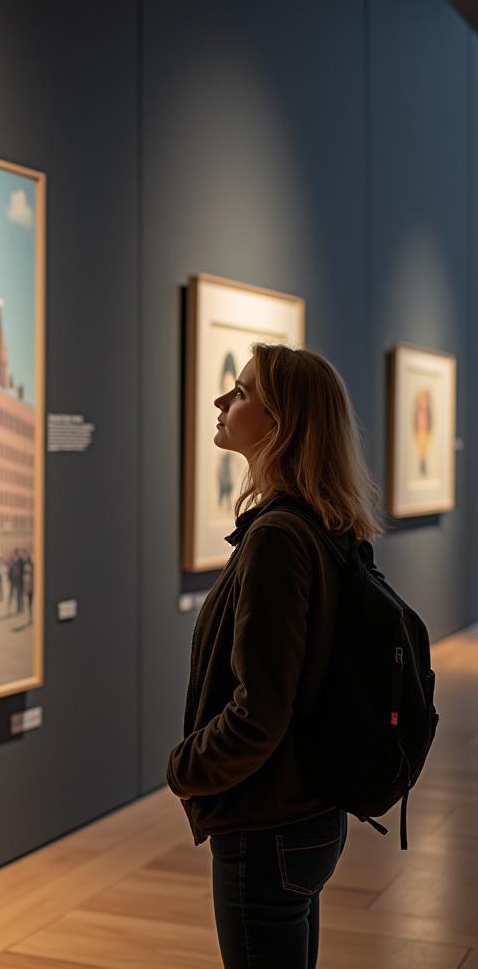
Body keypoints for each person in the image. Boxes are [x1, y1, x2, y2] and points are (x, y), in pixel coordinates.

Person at [165, 344, 383, 969]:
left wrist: (186, 768)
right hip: (310, 809)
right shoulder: (322, 524)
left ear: (280, 423)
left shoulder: (278, 539)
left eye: (240, 392)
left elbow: (260, 710)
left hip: (266, 823)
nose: (221, 401)